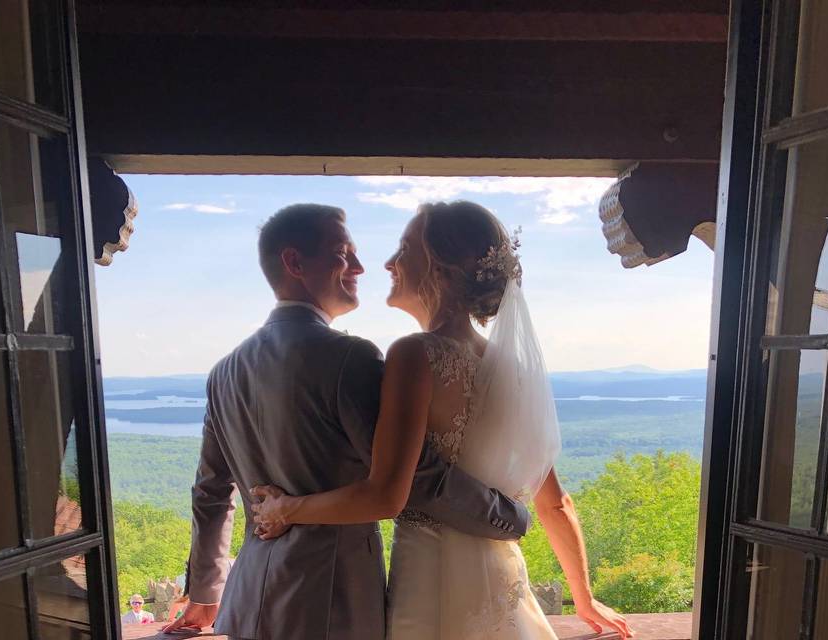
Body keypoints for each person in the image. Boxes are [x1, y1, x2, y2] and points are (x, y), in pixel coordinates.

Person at [252, 201, 634, 639]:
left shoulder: (416, 354)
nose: (389, 262)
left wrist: (288, 509)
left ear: (442, 268)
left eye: (405, 248)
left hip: (432, 586)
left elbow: (385, 496)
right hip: (502, 581)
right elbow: (553, 503)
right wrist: (583, 597)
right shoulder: (512, 369)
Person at [163, 204, 530, 639]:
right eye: (343, 253)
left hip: (249, 596)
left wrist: (206, 590)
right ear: (295, 263)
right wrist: (511, 518)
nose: (360, 266)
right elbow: (418, 477)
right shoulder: (350, 358)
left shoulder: (224, 370)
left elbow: (210, 491)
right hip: (333, 598)